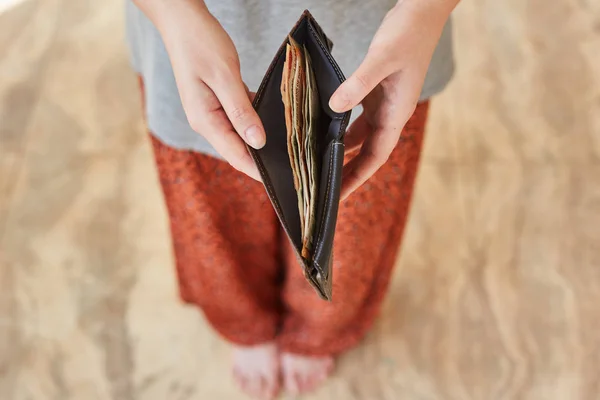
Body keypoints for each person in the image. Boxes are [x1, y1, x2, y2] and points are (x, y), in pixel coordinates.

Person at [126, 0, 458, 398]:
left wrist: (427, 12)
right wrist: (173, 15)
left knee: (351, 224)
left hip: (386, 39)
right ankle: (242, 320)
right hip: (190, 36)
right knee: (215, 214)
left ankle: (321, 327)